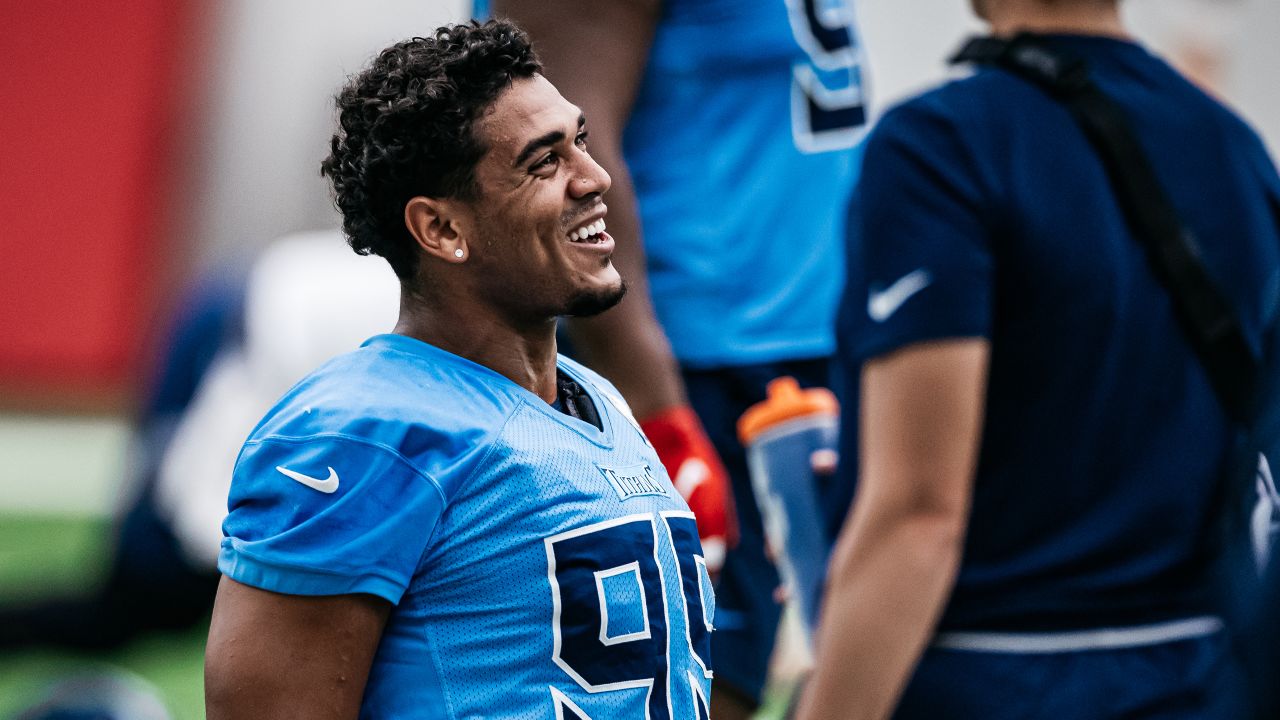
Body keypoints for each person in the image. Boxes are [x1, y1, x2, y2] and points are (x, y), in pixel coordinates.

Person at [204, 20, 716, 719]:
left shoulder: (596, 399)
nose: (594, 178)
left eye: (582, 142)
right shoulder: (366, 431)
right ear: (442, 229)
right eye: (544, 162)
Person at [797, 0, 1280, 718]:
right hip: (1198, 674)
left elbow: (920, 516)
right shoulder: (1236, 151)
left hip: (994, 676)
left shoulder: (941, 145)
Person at [486, 1, 871, 715]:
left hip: (810, 341)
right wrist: (657, 414)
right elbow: (547, 153)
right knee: (684, 677)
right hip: (692, 353)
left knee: (820, 655)